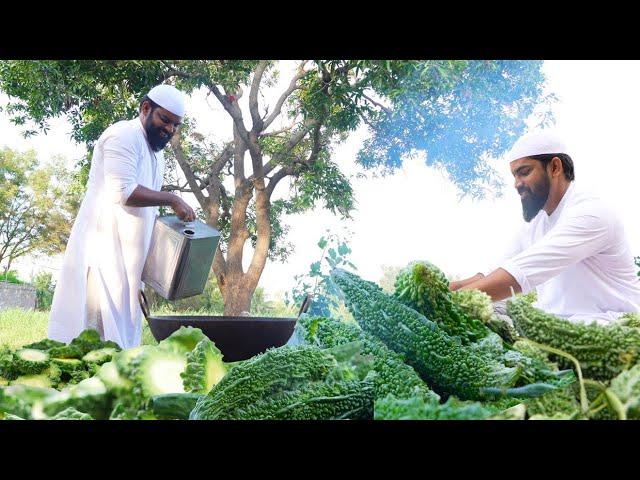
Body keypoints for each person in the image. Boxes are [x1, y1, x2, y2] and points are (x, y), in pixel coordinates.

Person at [48, 84, 196, 348]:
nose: (170, 129)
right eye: (165, 119)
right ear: (145, 108)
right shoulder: (122, 135)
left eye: (176, 125)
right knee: (91, 343)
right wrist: (173, 199)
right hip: (102, 257)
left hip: (128, 269)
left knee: (121, 348)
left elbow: (146, 215)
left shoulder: (156, 156)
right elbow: (123, 192)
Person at [450, 130, 640, 324]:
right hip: (552, 321)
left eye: (524, 172)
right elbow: (494, 272)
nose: (516, 184)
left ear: (555, 167)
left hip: (608, 323)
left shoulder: (592, 212)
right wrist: (443, 288)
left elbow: (517, 277)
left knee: (473, 307)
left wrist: (448, 303)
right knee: (489, 308)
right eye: (514, 176)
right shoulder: (537, 221)